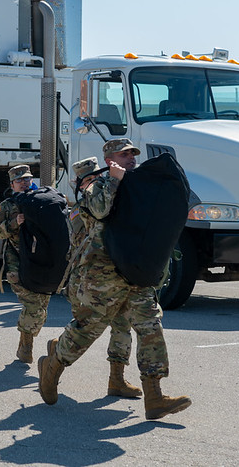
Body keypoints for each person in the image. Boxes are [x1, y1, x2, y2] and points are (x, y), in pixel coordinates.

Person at [38, 138, 191, 420]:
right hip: (103, 275)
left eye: (133, 154)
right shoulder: (98, 185)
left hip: (135, 273)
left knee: (150, 326)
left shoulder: (138, 185)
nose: (132, 158)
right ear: (111, 160)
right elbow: (99, 210)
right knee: (87, 330)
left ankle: (154, 397)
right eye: (125, 154)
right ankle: (53, 365)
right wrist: (115, 180)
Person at [62, 156, 143, 398]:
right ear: (79, 183)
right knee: (87, 327)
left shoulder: (109, 191)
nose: (94, 182)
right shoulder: (83, 206)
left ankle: (116, 379)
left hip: (115, 273)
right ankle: (57, 358)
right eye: (88, 179)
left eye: (97, 177)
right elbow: (98, 215)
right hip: (89, 277)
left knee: (122, 326)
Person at [0, 164, 50, 364]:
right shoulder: (6, 206)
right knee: (32, 305)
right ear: (12, 184)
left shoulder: (41, 200)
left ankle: (26, 339)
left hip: (39, 262)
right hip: (16, 264)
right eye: (19, 180)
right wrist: (15, 223)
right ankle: (26, 348)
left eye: (27, 179)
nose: (24, 183)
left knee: (41, 306)